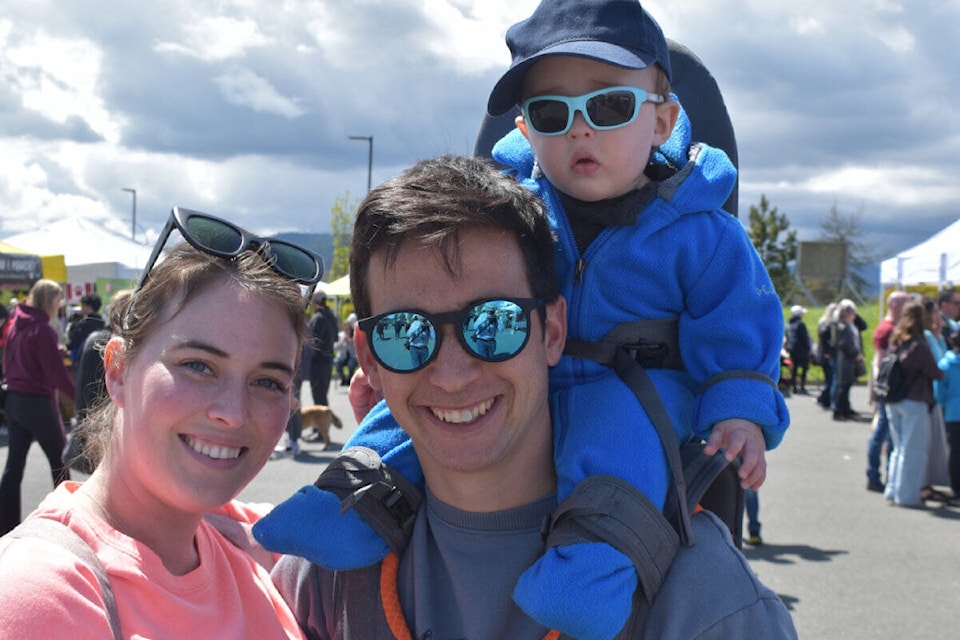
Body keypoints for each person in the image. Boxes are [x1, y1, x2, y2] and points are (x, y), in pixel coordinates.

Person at [260, 2, 789, 636]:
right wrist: (402, 360)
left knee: (619, 450)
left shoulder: (702, 229)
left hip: (636, 383)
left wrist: (738, 408)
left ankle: (595, 562)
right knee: (399, 418)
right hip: (527, 366)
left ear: (663, 120)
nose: (579, 131)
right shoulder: (510, 212)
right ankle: (347, 499)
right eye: (550, 113)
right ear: (525, 128)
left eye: (610, 107)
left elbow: (739, 321)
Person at [0, 208, 322, 638]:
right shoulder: (42, 593)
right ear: (117, 370)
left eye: (268, 381)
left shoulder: (243, 534)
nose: (234, 412)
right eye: (198, 366)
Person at [0, 279, 75, 535]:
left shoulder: (15, 324)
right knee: (60, 461)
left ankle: (5, 526)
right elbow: (55, 373)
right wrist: (78, 396)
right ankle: (68, 522)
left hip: (14, 400)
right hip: (37, 402)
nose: (59, 305)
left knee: (14, 467)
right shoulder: (42, 330)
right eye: (56, 300)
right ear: (47, 300)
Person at [884, 301, 944, 507]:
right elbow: (935, 372)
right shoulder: (919, 344)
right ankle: (907, 496)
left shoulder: (896, 339)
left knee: (898, 448)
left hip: (893, 398)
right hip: (915, 400)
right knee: (914, 450)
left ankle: (892, 489)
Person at [866, 290, 910, 492]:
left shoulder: (892, 327)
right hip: (887, 388)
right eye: (906, 303)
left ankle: (883, 475)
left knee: (886, 431)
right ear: (895, 306)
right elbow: (884, 363)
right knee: (883, 430)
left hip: (888, 387)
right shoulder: (887, 329)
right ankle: (874, 475)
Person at [935, 330, 960, 501]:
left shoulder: (945, 364)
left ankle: (956, 488)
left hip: (953, 412)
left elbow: (939, 390)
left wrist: (945, 404)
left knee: (955, 452)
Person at [831, 299, 864, 421]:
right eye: (852, 313)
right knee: (843, 385)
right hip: (845, 359)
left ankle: (846, 409)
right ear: (846, 314)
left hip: (850, 359)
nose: (854, 316)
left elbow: (863, 325)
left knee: (847, 385)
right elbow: (843, 344)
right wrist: (855, 353)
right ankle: (838, 411)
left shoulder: (850, 326)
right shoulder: (841, 326)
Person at [306, 292, 338, 406]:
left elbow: (313, 342)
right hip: (329, 358)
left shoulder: (318, 318)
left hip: (318, 361)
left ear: (316, 302)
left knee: (318, 396)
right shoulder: (332, 316)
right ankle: (323, 421)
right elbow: (336, 338)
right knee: (323, 394)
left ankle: (321, 423)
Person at [66, 292, 106, 368]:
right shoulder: (101, 322)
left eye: (83, 306)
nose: (82, 308)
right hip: (98, 359)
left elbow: (76, 338)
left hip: (83, 359)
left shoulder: (86, 323)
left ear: (88, 306)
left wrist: (67, 347)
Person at [816, 302, 838, 409]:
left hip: (822, 354)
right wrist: (827, 352)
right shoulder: (829, 323)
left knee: (829, 379)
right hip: (826, 355)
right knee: (830, 379)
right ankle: (824, 399)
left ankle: (823, 398)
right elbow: (825, 338)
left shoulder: (822, 322)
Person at [786, 305, 812, 394]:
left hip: (792, 349)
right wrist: (808, 348)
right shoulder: (801, 324)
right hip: (802, 350)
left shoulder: (789, 324)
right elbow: (804, 338)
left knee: (794, 369)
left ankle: (794, 386)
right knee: (804, 368)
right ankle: (802, 386)